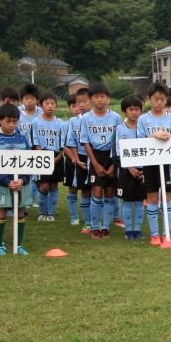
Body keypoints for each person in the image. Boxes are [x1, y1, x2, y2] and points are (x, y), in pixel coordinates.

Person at [137, 83, 171, 245]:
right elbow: (139, 142)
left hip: (167, 164)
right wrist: (154, 136)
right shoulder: (143, 119)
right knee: (153, 197)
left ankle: (166, 233)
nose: (159, 102)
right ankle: (154, 234)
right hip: (150, 164)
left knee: (168, 197)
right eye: (156, 99)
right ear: (149, 99)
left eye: (163, 99)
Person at [0, 103, 31, 255]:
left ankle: (18, 245)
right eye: (8, 121)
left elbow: (30, 162)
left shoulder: (22, 138)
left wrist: (23, 180)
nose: (11, 125)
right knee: (1, 211)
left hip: (20, 183)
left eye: (14, 121)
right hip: (2, 183)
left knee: (20, 211)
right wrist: (7, 181)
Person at [80, 82, 121, 238]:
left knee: (110, 193)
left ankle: (106, 227)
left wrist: (113, 164)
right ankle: (95, 226)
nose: (99, 100)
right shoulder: (86, 118)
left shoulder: (115, 117)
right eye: (96, 97)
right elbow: (85, 142)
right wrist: (95, 164)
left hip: (111, 156)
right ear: (90, 100)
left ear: (108, 99)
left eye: (103, 96)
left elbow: (118, 141)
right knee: (96, 193)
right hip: (95, 156)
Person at [113, 95, 146, 240]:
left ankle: (137, 230)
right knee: (127, 200)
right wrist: (130, 168)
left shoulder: (144, 128)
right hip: (127, 171)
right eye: (131, 109)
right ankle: (128, 230)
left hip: (143, 170)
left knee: (139, 201)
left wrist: (144, 168)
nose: (134, 112)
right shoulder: (120, 129)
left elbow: (150, 148)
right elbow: (118, 152)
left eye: (137, 109)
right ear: (124, 112)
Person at [64, 87, 93, 233]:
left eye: (84, 101)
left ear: (91, 101)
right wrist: (76, 159)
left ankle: (101, 222)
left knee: (100, 191)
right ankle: (87, 222)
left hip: (97, 158)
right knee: (85, 190)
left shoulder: (98, 118)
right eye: (77, 102)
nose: (80, 105)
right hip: (81, 159)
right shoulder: (72, 122)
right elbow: (70, 143)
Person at [32, 92, 64, 222]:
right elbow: (35, 141)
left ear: (56, 105)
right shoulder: (36, 121)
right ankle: (42, 212)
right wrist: (41, 156)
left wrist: (59, 157)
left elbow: (63, 142)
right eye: (47, 103)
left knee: (53, 185)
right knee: (44, 186)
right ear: (41, 105)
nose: (50, 106)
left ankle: (51, 213)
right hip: (42, 155)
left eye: (52, 103)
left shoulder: (60, 122)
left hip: (56, 155)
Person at [18, 83, 42, 207]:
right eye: (26, 98)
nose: (29, 101)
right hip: (21, 149)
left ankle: (32, 200)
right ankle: (23, 200)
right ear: (22, 99)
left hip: (36, 148)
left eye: (32, 98)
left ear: (37, 100)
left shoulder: (41, 113)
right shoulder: (17, 113)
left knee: (36, 176)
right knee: (23, 176)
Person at [61, 93, 81, 225]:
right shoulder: (65, 125)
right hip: (71, 160)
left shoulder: (87, 121)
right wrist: (74, 158)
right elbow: (63, 145)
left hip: (86, 159)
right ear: (69, 108)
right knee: (72, 187)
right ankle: (74, 215)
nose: (77, 108)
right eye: (73, 106)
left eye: (79, 105)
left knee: (88, 189)